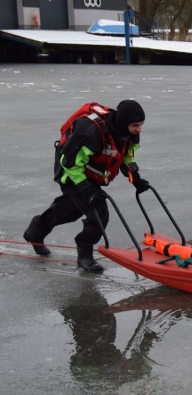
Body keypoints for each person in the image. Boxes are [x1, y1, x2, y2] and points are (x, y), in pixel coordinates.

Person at [23, 100, 151, 273]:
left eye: (141, 125)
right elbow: (69, 163)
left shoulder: (127, 131)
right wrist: (87, 189)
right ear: (123, 123)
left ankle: (36, 230)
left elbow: (126, 155)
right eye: (136, 125)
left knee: (71, 210)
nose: (139, 129)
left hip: (92, 173)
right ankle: (85, 254)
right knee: (98, 211)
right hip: (71, 172)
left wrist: (135, 178)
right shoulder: (91, 132)